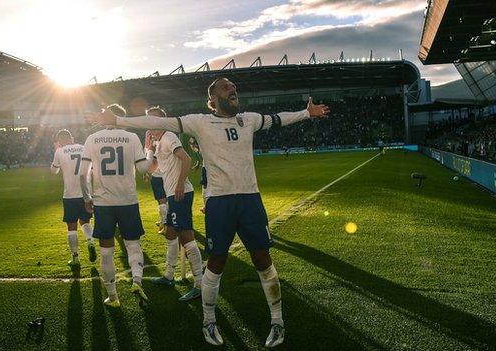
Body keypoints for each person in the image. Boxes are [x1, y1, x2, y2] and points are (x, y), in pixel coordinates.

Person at [85, 77, 329, 347]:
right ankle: (209, 321)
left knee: (263, 259)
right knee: (217, 262)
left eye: (234, 86)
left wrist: (307, 113)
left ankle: (277, 321)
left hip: (250, 200)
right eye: (225, 87)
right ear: (211, 101)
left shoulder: (248, 119)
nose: (232, 88)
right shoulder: (199, 122)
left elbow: (278, 118)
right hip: (220, 203)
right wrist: (118, 121)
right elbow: (159, 123)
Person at [79, 104, 155, 308]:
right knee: (133, 244)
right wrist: (149, 150)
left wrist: (87, 198)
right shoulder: (131, 138)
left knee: (106, 251)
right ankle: (137, 281)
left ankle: (113, 297)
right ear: (123, 119)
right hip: (128, 201)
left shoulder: (92, 139)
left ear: (106, 118)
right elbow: (143, 168)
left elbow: (82, 173)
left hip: (104, 203)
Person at [145, 107, 203, 302]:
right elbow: (153, 168)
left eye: (152, 121)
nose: (149, 126)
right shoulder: (159, 141)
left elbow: (186, 159)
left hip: (181, 193)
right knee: (170, 234)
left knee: (186, 237)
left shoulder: (169, 136)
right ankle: (169, 276)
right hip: (173, 194)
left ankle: (200, 285)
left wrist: (179, 183)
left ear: (162, 122)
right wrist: (149, 149)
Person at [50, 129, 97, 268]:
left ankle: (75, 258)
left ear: (59, 141)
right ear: (72, 137)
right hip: (85, 193)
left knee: (71, 226)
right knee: (85, 221)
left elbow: (54, 171)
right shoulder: (84, 148)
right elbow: (93, 169)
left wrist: (57, 150)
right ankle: (90, 241)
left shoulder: (60, 151)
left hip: (69, 195)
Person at [143, 130, 168, 235]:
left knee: (162, 201)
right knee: (162, 201)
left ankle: (166, 224)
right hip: (162, 174)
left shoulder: (156, 139)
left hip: (160, 175)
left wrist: (146, 170)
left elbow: (151, 156)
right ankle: (163, 220)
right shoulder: (151, 139)